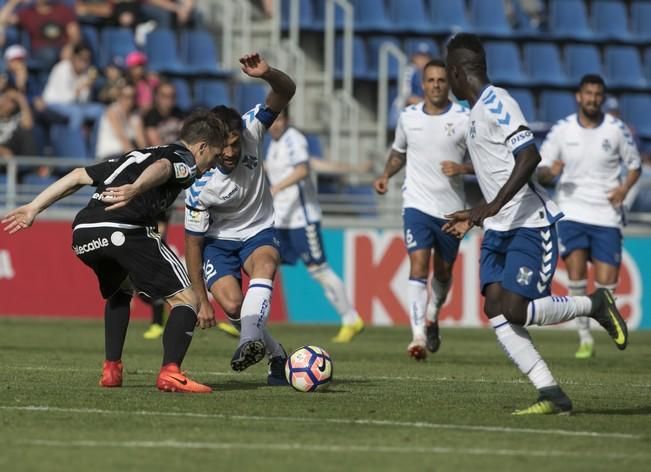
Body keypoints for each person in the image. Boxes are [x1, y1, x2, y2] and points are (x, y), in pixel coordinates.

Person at [442, 33, 628, 415]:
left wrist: (490, 206)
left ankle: (593, 303)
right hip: (497, 228)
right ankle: (550, 392)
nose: (448, 83)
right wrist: (475, 212)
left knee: (516, 309)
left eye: (449, 74)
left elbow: (529, 156)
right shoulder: (474, 114)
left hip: (529, 223)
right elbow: (497, 170)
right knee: (495, 307)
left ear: (458, 72)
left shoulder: (498, 102)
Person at [2, 109, 228, 393]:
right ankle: (171, 372)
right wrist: (136, 188)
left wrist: (34, 207)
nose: (213, 164)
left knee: (121, 290)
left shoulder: (132, 156)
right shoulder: (183, 157)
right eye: (215, 156)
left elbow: (76, 176)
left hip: (83, 233)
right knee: (187, 298)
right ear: (202, 147)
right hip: (123, 229)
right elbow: (165, 168)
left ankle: (112, 369)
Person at [184, 52, 295, 385]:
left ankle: (249, 342)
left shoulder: (251, 128)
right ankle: (277, 356)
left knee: (266, 266)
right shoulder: (199, 185)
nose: (231, 153)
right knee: (233, 306)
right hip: (219, 243)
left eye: (234, 145)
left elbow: (286, 92)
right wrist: (201, 300)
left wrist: (268, 74)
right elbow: (193, 244)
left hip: (259, 229)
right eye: (224, 147)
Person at [537, 75, 641, 359]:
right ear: (578, 96)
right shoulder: (562, 130)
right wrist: (550, 174)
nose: (593, 98)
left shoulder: (616, 130)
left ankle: (603, 326)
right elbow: (541, 169)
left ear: (602, 98)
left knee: (607, 285)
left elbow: (635, 166)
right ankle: (584, 338)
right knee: (577, 276)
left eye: (597, 94)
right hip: (572, 210)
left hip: (606, 213)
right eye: (588, 93)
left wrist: (623, 188)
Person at [374, 59, 471, 360]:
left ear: (449, 83)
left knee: (442, 271)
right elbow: (398, 151)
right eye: (430, 80)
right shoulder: (408, 117)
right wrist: (386, 175)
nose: (436, 85)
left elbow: (485, 159)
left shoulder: (465, 118)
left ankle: (433, 314)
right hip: (416, 203)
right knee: (417, 265)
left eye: (441, 80)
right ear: (423, 83)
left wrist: (462, 167)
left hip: (451, 210)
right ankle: (416, 336)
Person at [266, 108, 365, 343]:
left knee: (319, 270)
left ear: (287, 120)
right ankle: (247, 320)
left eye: (280, 119)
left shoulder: (294, 139)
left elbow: (303, 169)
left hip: (302, 219)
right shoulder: (272, 145)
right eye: (273, 120)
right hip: (281, 219)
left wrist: (277, 187)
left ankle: (351, 319)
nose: (276, 124)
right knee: (263, 264)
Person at [0, 0, 81, 70]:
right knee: (49, 55)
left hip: (62, 51)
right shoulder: (28, 12)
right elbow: (2, 19)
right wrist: (14, 2)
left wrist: (70, 46)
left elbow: (75, 35)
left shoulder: (63, 10)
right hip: (40, 53)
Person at [42, 43, 104, 129]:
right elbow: (64, 99)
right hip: (53, 103)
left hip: (76, 105)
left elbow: (84, 101)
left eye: (87, 59)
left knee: (100, 110)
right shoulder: (62, 68)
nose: (84, 62)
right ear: (74, 57)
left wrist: (87, 88)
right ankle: (73, 141)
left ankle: (94, 142)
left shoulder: (87, 73)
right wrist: (79, 90)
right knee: (76, 113)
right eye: (82, 58)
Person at [95, 83, 146, 160]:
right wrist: (137, 158)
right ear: (119, 97)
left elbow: (142, 141)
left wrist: (147, 155)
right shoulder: (112, 111)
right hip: (109, 156)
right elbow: (122, 138)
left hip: (124, 155)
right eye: (127, 97)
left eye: (133, 97)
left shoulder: (134, 116)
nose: (130, 100)